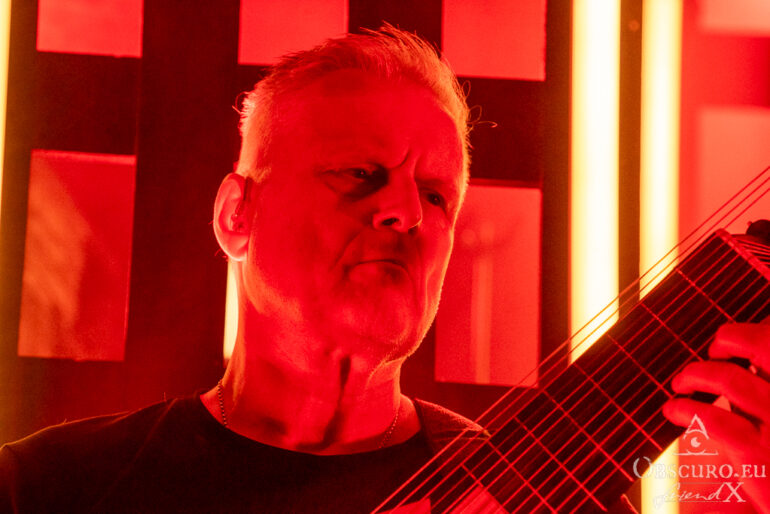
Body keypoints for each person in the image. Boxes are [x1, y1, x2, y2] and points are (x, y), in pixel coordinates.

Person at [1, 25, 768, 513]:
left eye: (435, 195)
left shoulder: (537, 491)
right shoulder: (47, 487)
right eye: (359, 174)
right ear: (237, 215)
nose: (406, 212)